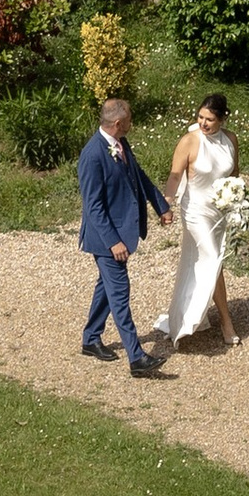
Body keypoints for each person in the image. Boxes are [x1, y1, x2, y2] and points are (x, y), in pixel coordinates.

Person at [77, 95, 171, 376]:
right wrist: (113, 241)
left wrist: (161, 206)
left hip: (120, 233)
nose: (132, 123)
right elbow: (92, 206)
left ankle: (91, 338)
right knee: (120, 294)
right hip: (106, 239)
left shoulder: (119, 144)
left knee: (106, 288)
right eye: (130, 119)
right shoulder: (93, 155)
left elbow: (137, 176)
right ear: (118, 123)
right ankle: (137, 358)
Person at [155, 93, 242, 353]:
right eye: (201, 117)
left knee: (207, 261)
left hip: (219, 211)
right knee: (213, 257)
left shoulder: (231, 140)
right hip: (195, 210)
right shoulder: (189, 141)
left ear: (222, 119)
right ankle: (226, 323)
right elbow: (174, 176)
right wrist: (165, 204)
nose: (204, 123)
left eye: (210, 119)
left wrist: (236, 199)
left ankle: (191, 311)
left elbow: (234, 174)